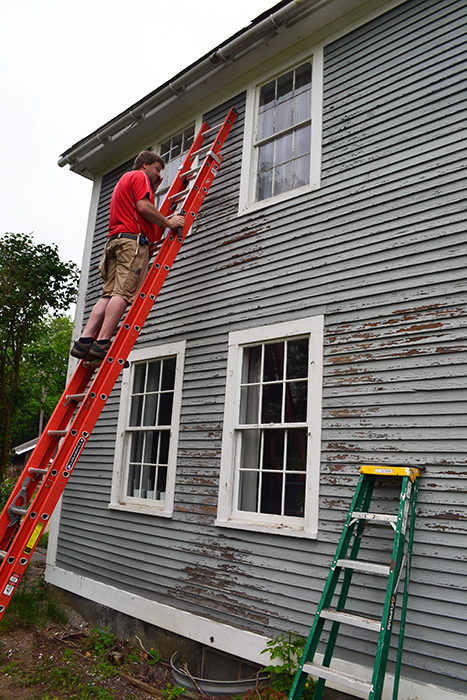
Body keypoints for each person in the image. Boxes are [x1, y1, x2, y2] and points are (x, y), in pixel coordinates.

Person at [71, 151, 185, 365]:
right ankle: (102, 342)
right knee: (123, 293)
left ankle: (85, 341)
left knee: (108, 294)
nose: (158, 174)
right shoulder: (138, 176)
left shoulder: (126, 181)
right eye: (157, 169)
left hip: (114, 242)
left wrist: (152, 188)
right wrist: (169, 223)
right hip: (131, 244)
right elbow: (143, 207)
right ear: (144, 165)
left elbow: (137, 205)